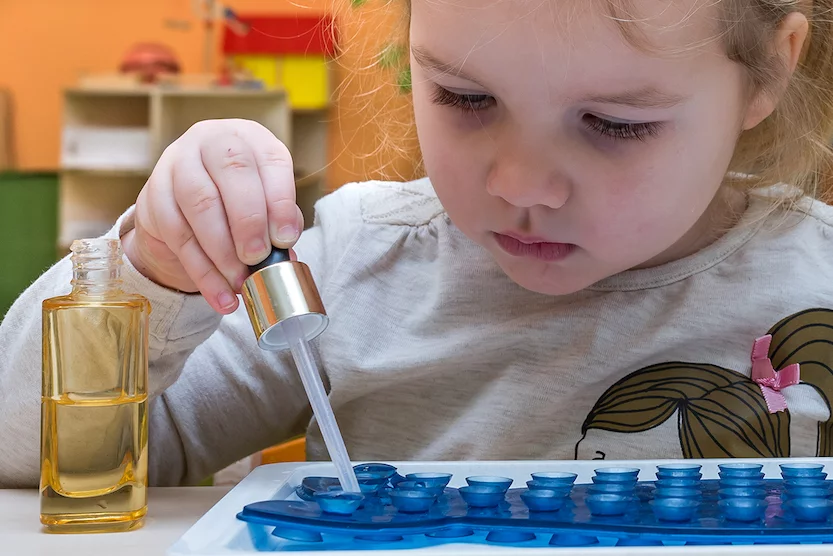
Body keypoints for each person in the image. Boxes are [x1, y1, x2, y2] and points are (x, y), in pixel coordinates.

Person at [3, 0, 833, 488]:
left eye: (615, 123)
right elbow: (43, 462)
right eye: (466, 97)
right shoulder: (355, 263)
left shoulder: (816, 277)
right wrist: (153, 270)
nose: (520, 184)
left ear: (766, 72)